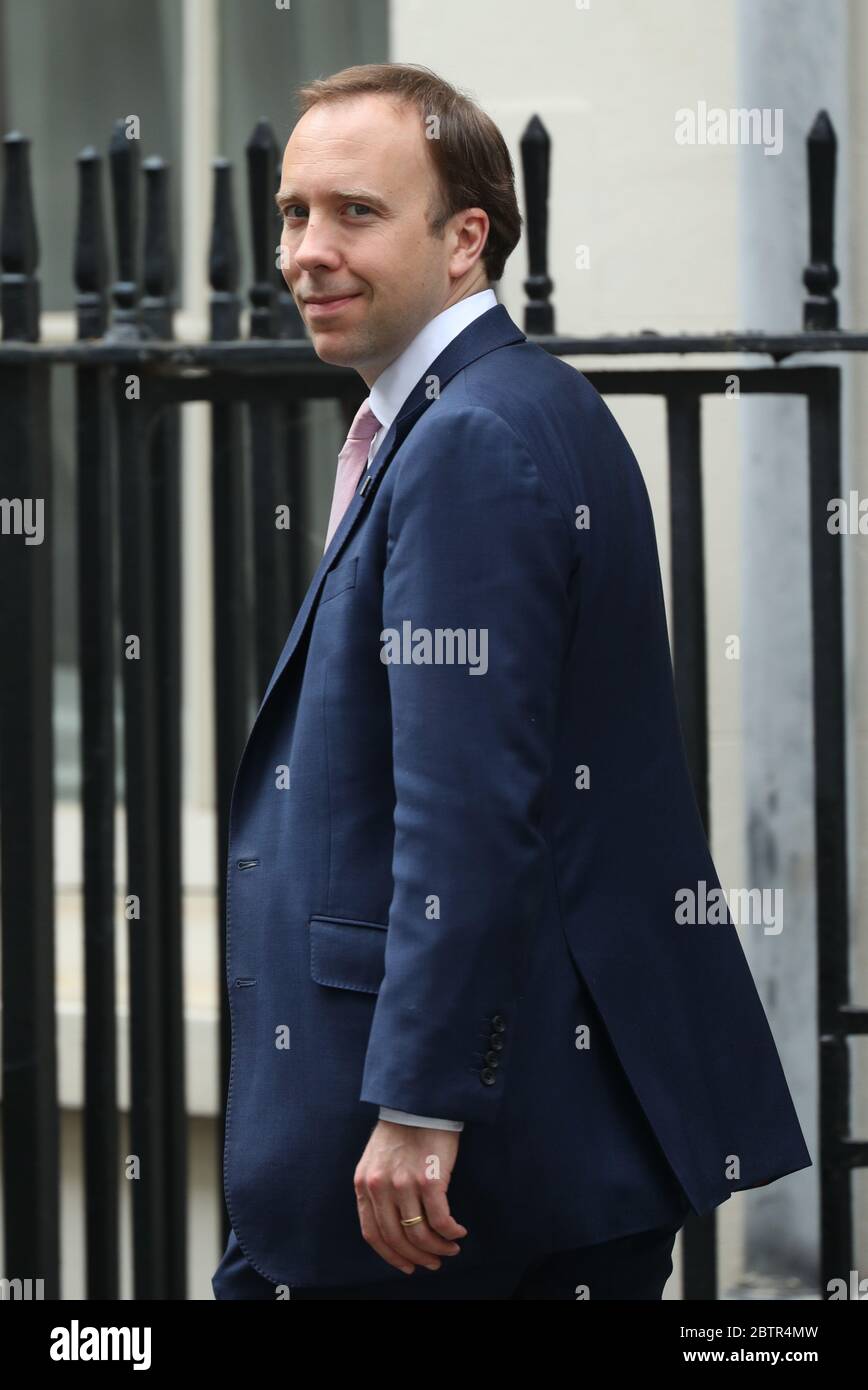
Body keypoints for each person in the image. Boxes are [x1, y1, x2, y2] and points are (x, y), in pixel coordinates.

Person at [213, 62, 811, 1301]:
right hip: (491, 1149)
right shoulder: (499, 411)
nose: (305, 253)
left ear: (466, 238)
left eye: (356, 214)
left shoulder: (473, 439)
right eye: (291, 213)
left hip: (455, 1181)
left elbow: (469, 808)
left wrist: (423, 1102)